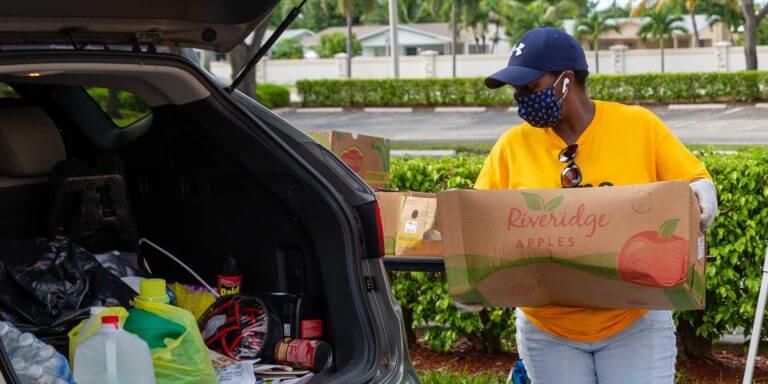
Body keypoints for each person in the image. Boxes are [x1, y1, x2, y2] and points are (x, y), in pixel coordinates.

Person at [476, 27, 718, 384]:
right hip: (548, 331)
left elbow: (693, 179)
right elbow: (480, 220)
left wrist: (700, 194)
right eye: (518, 91)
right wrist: (474, 277)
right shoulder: (511, 147)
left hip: (634, 323)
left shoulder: (637, 126)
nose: (522, 98)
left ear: (565, 81)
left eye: (531, 88)